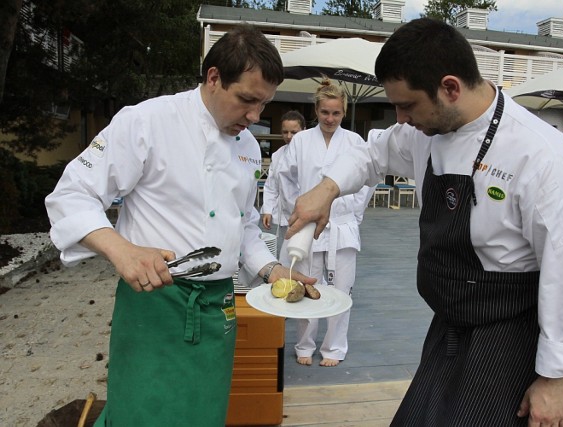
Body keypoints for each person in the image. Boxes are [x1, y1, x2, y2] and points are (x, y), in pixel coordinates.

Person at [286, 18, 563, 425]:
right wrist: (327, 189)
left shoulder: (543, 157)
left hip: (508, 332)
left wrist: (556, 380)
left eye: (407, 105)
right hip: (449, 325)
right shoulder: (424, 131)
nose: (400, 119)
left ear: (450, 88)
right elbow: (372, 154)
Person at [45, 26, 315, 427]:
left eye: (264, 104)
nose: (256, 117)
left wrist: (272, 269)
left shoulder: (245, 146)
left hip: (218, 308)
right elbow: (71, 195)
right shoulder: (145, 121)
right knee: (141, 413)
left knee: (203, 414)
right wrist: (122, 250)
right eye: (246, 100)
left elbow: (242, 224)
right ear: (213, 78)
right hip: (155, 304)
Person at [278, 78, 373, 367]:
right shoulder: (302, 141)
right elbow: (285, 178)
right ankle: (304, 344)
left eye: (336, 113)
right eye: (325, 113)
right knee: (306, 286)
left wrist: (353, 215)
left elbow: (367, 182)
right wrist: (298, 210)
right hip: (308, 226)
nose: (330, 119)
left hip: (342, 227)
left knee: (342, 290)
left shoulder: (355, 141)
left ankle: (334, 347)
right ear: (316, 111)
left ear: (343, 113)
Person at [261, 110, 306, 260]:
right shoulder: (278, 154)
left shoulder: (310, 154)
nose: (288, 136)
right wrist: (268, 209)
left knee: (304, 258)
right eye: (285, 132)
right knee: (285, 257)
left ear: (304, 131)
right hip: (285, 215)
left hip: (306, 216)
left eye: (294, 132)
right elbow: (271, 185)